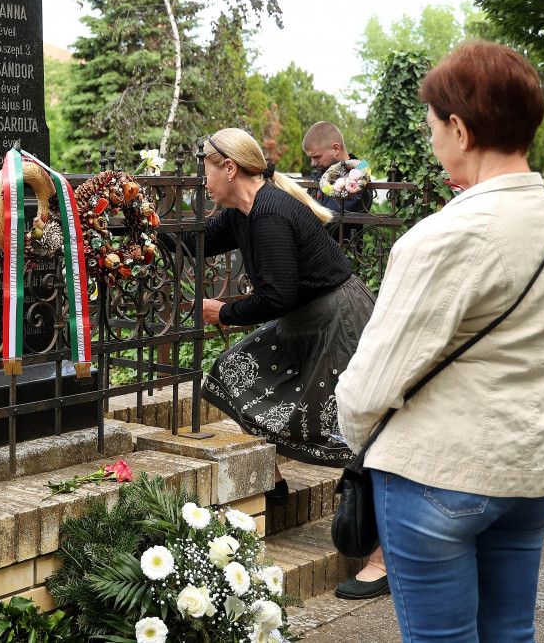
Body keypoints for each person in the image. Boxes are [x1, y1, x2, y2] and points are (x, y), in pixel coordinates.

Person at [336, 40, 544, 642]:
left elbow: (370, 385)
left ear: (459, 129)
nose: (432, 140)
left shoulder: (447, 235)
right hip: (532, 471)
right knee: (511, 634)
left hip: (438, 475)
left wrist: (361, 446)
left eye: (433, 126)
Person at [167, 127, 389, 597]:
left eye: (206, 168)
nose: (203, 179)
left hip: (337, 321)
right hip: (303, 321)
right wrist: (128, 228)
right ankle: (275, 478)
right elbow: (194, 240)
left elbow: (276, 296)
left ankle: (383, 559)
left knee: (363, 433)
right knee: (233, 375)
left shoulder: (268, 213)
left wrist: (222, 312)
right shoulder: (243, 212)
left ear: (229, 168)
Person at [303, 121, 371, 245]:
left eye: (317, 157)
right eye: (311, 158)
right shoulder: (321, 174)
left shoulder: (359, 174)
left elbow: (330, 222)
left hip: (345, 253)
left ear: (336, 148)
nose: (313, 163)